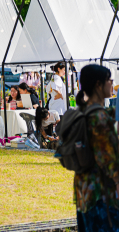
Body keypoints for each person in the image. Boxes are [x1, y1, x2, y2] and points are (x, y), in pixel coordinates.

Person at [73, 64, 119, 232]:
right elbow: (108, 160)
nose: (112, 83)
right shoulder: (99, 118)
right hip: (103, 196)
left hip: (84, 192)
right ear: (99, 85)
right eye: (109, 80)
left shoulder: (82, 113)